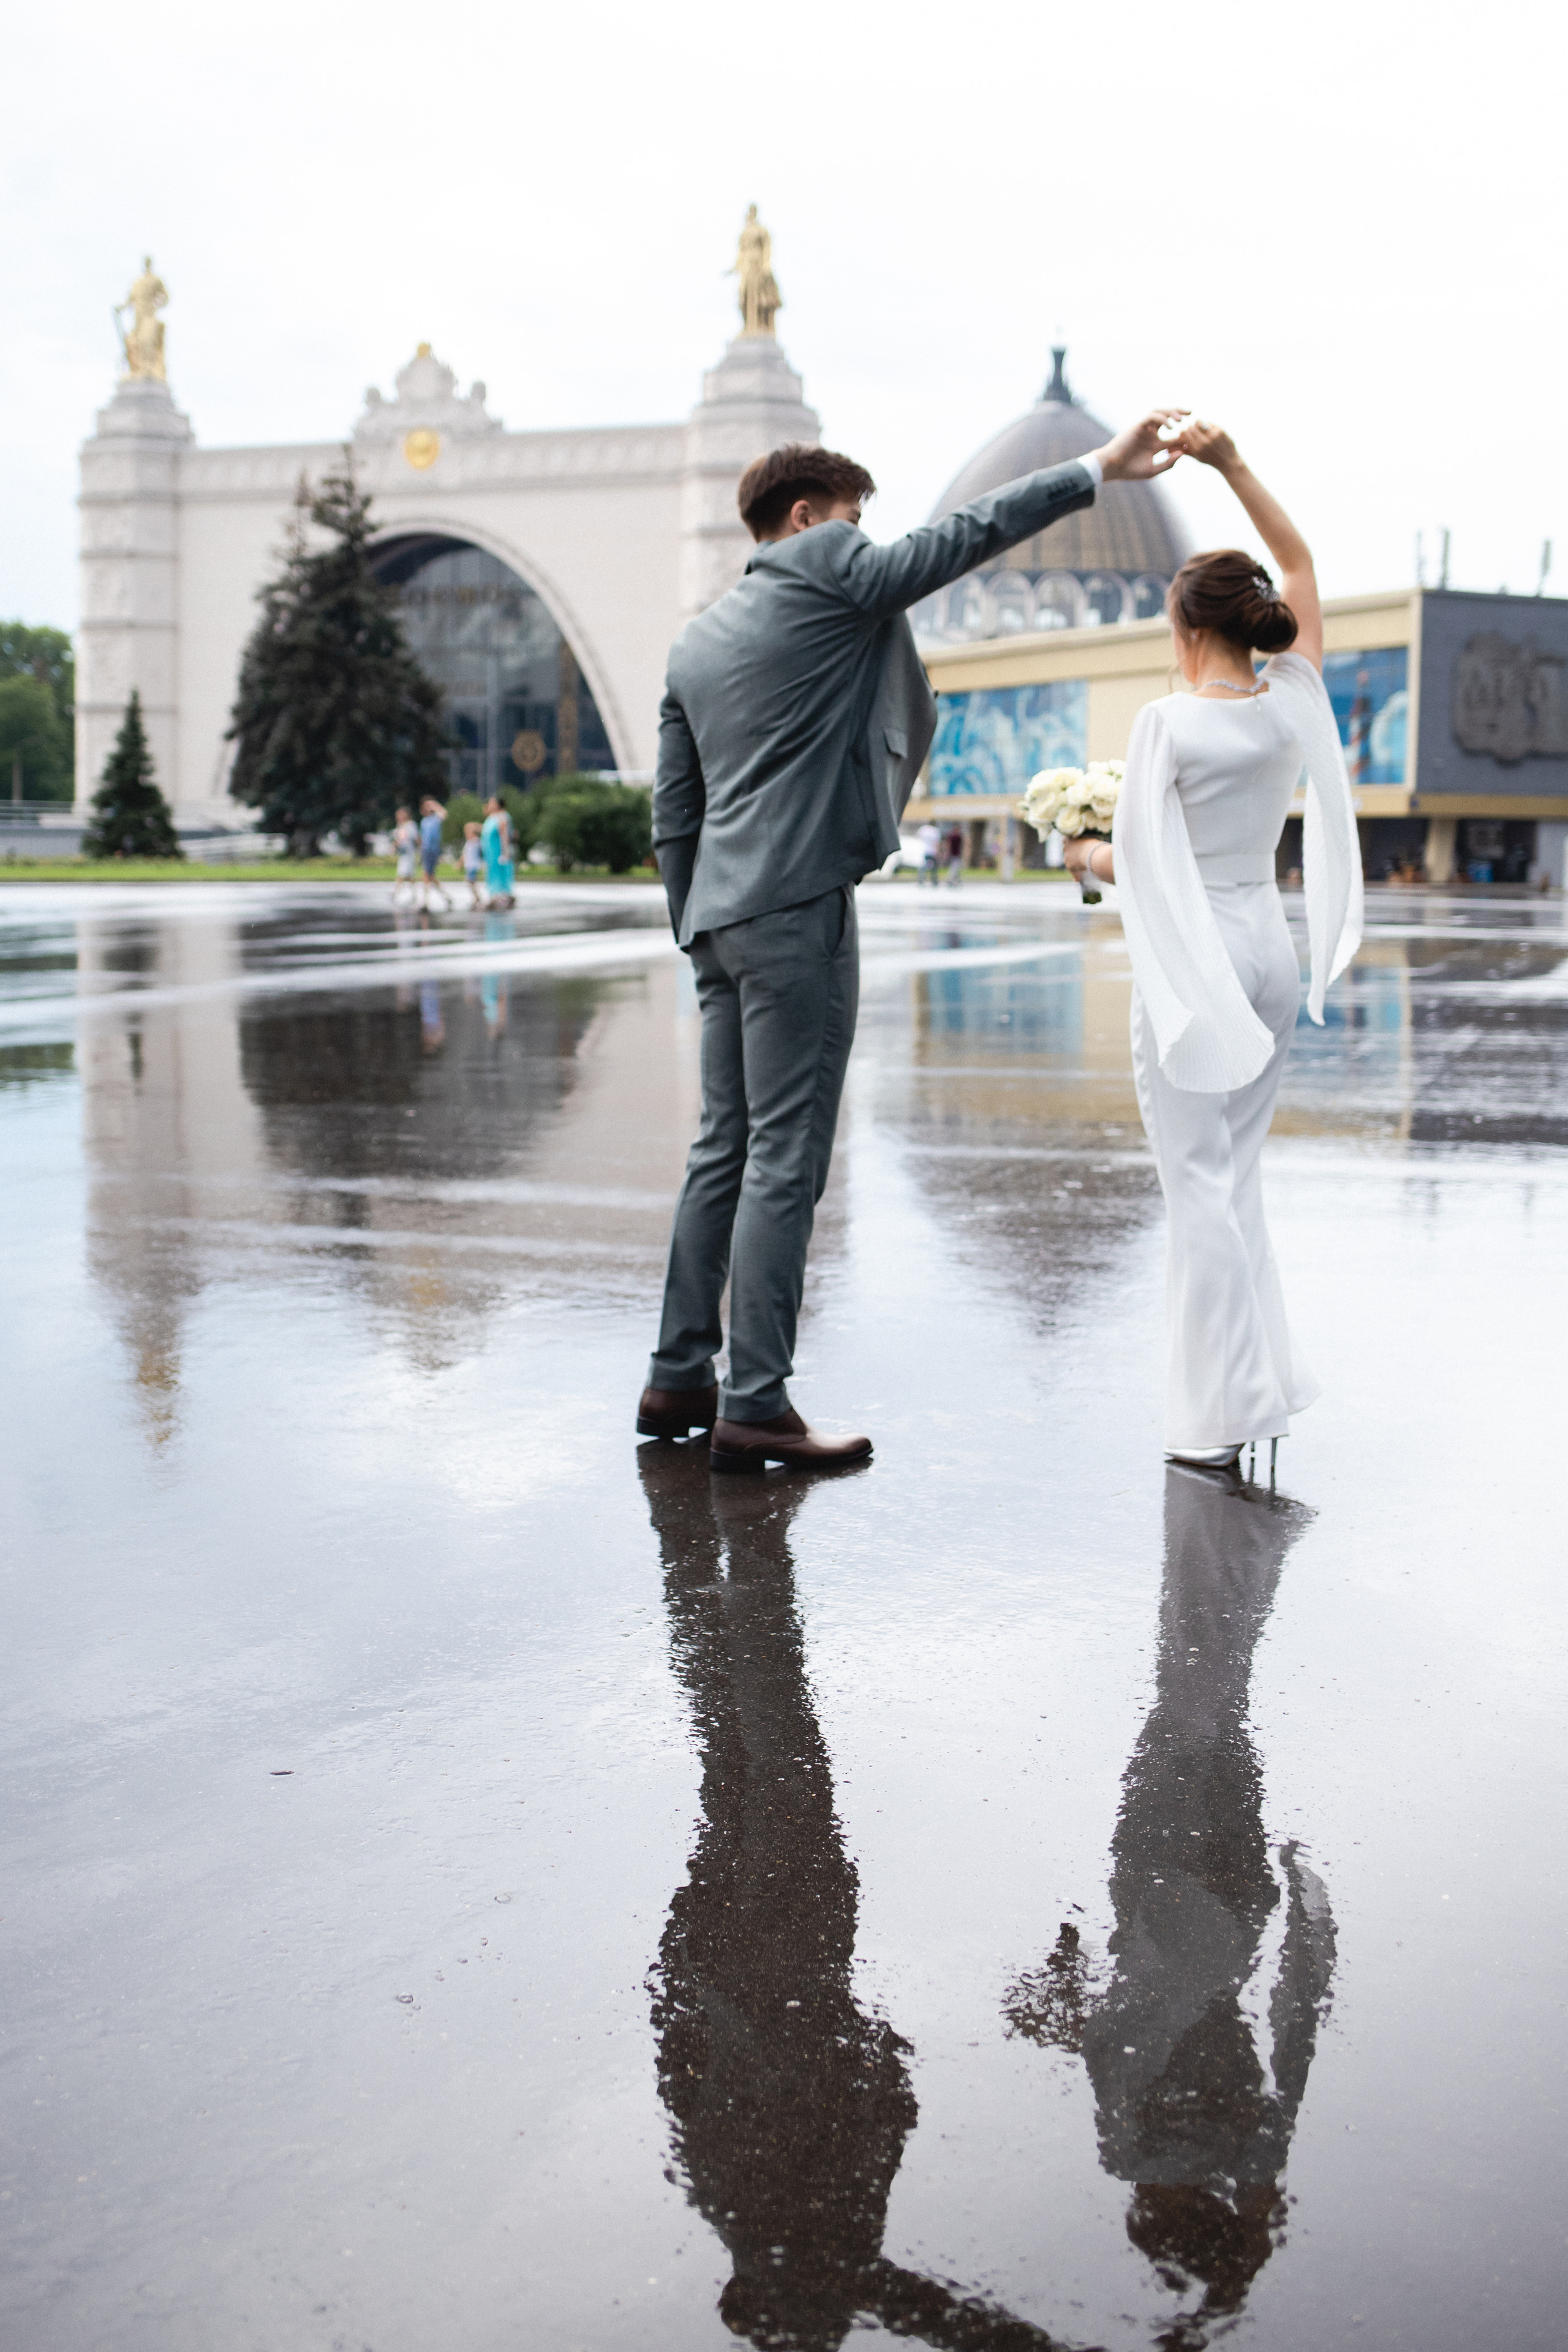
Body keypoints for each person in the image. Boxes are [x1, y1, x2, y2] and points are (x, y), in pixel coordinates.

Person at [638, 413, 1186, 1471]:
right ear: (806, 518)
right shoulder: (829, 571)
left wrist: (692, 919)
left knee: (723, 1148)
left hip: (719, 916)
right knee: (786, 1155)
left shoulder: (697, 640)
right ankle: (754, 1400)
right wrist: (1097, 470)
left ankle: (677, 1377)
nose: (866, 541)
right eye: (853, 519)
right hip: (797, 907)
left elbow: (676, 807)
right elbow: (966, 536)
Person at [1063, 420, 1362, 1471]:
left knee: (1195, 1187)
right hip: (1269, 953)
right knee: (1234, 1181)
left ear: (1187, 627)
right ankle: (1257, 1391)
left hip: (1197, 968)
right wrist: (1232, 463)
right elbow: (1302, 563)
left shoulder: (1168, 724)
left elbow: (1143, 866)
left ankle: (1220, 1416)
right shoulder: (1292, 703)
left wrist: (1080, 850)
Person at [480, 795, 514, 907]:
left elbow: (505, 836)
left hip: (498, 852)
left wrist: (506, 852)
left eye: (492, 803)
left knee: (499, 873)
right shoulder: (493, 817)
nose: (489, 805)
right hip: (490, 852)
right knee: (492, 873)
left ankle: (500, 897)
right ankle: (495, 896)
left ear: (498, 805)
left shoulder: (502, 817)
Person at [417, 796, 450, 910]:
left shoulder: (436, 819)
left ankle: (426, 902)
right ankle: (445, 897)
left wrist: (433, 805)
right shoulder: (424, 821)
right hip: (426, 851)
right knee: (429, 876)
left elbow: (445, 813)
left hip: (433, 850)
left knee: (427, 875)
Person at [391, 806, 418, 904]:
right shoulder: (401, 826)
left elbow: (415, 838)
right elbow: (398, 839)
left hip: (409, 854)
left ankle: (395, 893)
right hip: (403, 854)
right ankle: (414, 894)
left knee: (403, 874)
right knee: (408, 876)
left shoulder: (411, 825)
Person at [461, 819, 486, 907]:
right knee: (471, 882)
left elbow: (483, 851)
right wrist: (460, 863)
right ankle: (476, 897)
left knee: (470, 881)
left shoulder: (477, 842)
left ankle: (477, 897)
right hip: (469, 865)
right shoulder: (469, 843)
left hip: (474, 865)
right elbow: (464, 854)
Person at [916, 819, 941, 886]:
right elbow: (937, 843)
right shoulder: (935, 831)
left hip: (924, 850)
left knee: (923, 866)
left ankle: (921, 879)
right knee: (934, 867)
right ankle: (934, 880)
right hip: (932, 851)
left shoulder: (924, 829)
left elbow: (918, 837)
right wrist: (937, 852)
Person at [943, 823, 965, 887]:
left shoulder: (959, 837)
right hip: (952, 854)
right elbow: (948, 845)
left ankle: (958, 880)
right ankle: (950, 880)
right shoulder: (952, 837)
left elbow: (962, 846)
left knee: (956, 867)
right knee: (954, 867)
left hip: (957, 854)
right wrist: (947, 853)